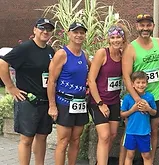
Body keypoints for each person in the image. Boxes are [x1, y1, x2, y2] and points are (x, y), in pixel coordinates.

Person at [0, 18, 55, 165]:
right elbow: (2, 63)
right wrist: (11, 87)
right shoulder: (25, 48)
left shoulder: (50, 51)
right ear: (34, 30)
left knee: (42, 137)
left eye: (48, 29)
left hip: (45, 101)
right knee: (27, 139)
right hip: (27, 101)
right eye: (42, 28)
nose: (45, 31)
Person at [122, 13, 159, 162]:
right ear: (137, 26)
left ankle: (149, 161)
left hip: (156, 97)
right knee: (133, 130)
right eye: (142, 25)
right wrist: (137, 100)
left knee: (153, 131)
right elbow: (126, 77)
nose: (145, 28)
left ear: (153, 26)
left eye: (148, 25)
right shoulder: (131, 48)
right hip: (138, 99)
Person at [47, 22, 91, 165]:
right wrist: (52, 105)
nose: (79, 35)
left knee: (76, 139)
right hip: (64, 103)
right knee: (63, 140)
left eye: (81, 33)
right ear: (69, 34)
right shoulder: (62, 54)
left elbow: (92, 71)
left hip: (80, 103)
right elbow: (52, 81)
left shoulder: (84, 55)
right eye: (75, 32)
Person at [88, 24, 129, 165]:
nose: (116, 40)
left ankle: (101, 161)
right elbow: (91, 80)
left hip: (114, 101)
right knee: (104, 136)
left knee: (111, 135)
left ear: (123, 39)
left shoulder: (124, 55)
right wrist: (100, 103)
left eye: (118, 37)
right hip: (98, 101)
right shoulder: (102, 53)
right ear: (108, 39)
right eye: (113, 37)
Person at [121, 71, 157, 165]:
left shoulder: (149, 97)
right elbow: (122, 114)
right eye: (138, 82)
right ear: (132, 84)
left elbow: (154, 112)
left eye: (143, 82)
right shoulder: (127, 98)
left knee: (146, 155)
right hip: (131, 131)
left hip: (144, 132)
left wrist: (148, 109)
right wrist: (133, 110)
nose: (141, 85)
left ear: (147, 83)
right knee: (130, 154)